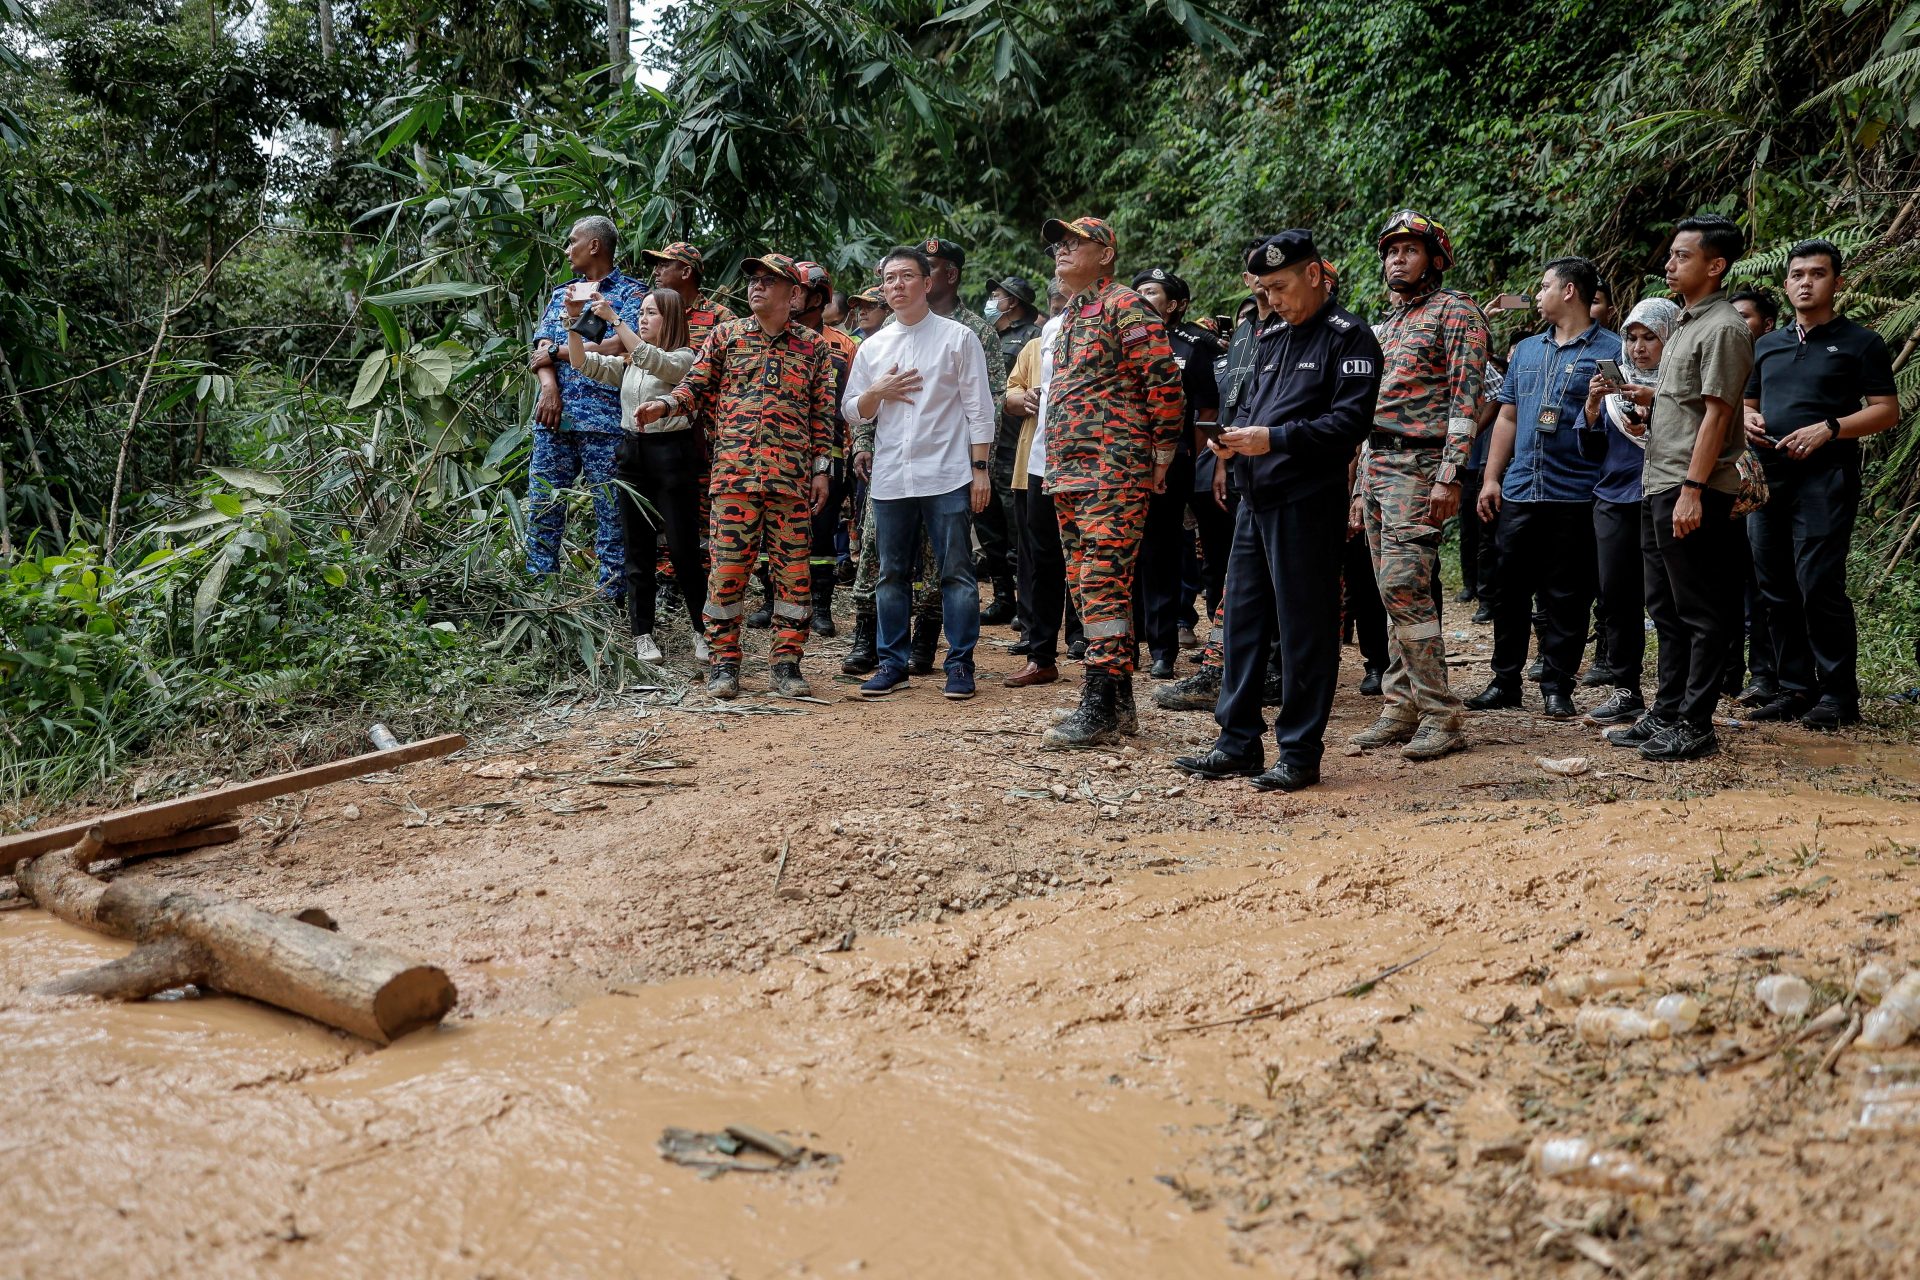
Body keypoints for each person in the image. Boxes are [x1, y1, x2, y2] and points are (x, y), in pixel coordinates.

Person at [1173, 230, 1384, 791]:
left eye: (1282, 286)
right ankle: (1236, 742)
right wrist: (1231, 444)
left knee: (1304, 629)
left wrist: (1275, 439)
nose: (1275, 299)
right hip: (1253, 498)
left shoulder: (1350, 337)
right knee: (1241, 624)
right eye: (1265, 289)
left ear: (1314, 275)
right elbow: (1249, 409)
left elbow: (1350, 425)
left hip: (1305, 501)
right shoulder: (1270, 337)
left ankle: (1299, 752)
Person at [637, 253, 834, 700]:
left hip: (791, 481)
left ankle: (786, 665)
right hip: (733, 478)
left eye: (768, 281)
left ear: (794, 294)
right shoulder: (727, 336)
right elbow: (695, 383)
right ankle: (725, 664)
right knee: (726, 574)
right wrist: (666, 405)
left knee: (793, 577)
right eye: (753, 280)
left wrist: (822, 470)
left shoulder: (813, 346)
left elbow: (822, 414)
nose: (756, 287)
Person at [1601, 214, 1754, 760]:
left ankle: (1696, 721)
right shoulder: (1687, 324)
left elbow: (1717, 416)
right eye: (1670, 255)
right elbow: (1685, 403)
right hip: (1657, 482)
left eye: (1682, 256)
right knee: (1665, 606)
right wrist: (1645, 403)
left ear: (1715, 265)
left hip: (1691, 486)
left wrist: (1692, 488)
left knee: (1700, 609)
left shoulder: (1724, 328)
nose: (1669, 264)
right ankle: (1666, 710)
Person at [1038, 215, 1184, 748]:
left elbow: (1164, 381)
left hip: (1112, 468)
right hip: (1070, 473)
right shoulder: (1073, 314)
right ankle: (1117, 705)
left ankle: (1099, 703)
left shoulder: (1127, 305)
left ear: (1105, 254)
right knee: (1085, 583)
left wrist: (1161, 453)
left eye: (1075, 243)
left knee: (1101, 580)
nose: (1062, 250)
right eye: (1059, 244)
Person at [1743, 239, 1899, 728]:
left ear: (1837, 282)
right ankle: (1794, 687)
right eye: (1796, 274)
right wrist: (1747, 421)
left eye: (1817, 273)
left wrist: (1830, 427)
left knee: (1817, 583)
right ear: (1785, 283)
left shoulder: (1861, 342)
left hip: (1825, 477)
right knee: (1775, 584)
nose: (1805, 282)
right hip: (1769, 478)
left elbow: (1886, 410)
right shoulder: (1766, 345)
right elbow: (1748, 403)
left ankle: (1837, 695)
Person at [1351, 209, 1489, 761]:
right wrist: (1359, 484)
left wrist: (1450, 473)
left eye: (1409, 250)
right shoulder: (1386, 325)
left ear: (1435, 258)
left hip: (1421, 467)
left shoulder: (1455, 312)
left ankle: (1441, 714)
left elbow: (1466, 399)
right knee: (1392, 593)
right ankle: (1400, 706)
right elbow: (1367, 410)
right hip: (1377, 466)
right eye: (1390, 251)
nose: (1397, 260)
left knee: (1407, 587)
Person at [1470, 257, 1619, 719]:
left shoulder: (1611, 352)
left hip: (1575, 490)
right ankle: (1505, 681)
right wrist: (1492, 477)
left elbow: (1619, 425)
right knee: (1507, 589)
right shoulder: (1527, 351)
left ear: (1569, 291)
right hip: (1519, 488)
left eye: (1544, 286)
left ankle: (1558, 684)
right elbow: (1508, 416)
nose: (1537, 295)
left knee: (1566, 594)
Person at [845, 246, 996, 699]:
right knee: (890, 574)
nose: (897, 285)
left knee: (956, 573)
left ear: (927, 283)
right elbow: (853, 410)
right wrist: (878, 390)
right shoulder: (872, 346)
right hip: (891, 477)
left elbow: (980, 409)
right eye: (889, 278)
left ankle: (960, 664)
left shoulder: (958, 338)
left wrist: (981, 470)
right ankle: (892, 663)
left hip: (947, 473)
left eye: (907, 276)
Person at [562, 288, 703, 663]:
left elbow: (655, 360)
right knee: (637, 549)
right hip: (633, 454)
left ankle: (702, 630)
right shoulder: (630, 363)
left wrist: (616, 320)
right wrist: (574, 323)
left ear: (670, 319)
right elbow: (582, 364)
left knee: (683, 547)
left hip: (673, 454)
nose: (643, 317)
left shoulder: (685, 357)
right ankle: (643, 634)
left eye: (651, 312)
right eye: (640, 312)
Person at [525, 215, 650, 599]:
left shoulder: (631, 294)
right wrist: (549, 389)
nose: (567, 249)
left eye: (572, 241)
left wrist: (559, 351)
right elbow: (538, 350)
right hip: (554, 418)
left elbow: (623, 343)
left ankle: (609, 601)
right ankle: (541, 596)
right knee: (544, 509)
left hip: (606, 421)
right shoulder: (561, 293)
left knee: (612, 515)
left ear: (594, 245)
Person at [1577, 297, 1679, 727]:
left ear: (1670, 339)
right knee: (1617, 599)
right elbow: (1590, 451)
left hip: (1666, 500)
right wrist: (1594, 408)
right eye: (1632, 338)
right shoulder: (1616, 392)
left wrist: (1655, 406)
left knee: (1667, 603)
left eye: (1650, 338)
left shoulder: (1681, 389)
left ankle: (1674, 696)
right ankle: (1626, 689)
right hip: (1614, 501)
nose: (1639, 348)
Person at [1131, 267, 1222, 680]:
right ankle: (1121, 648)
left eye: (1151, 291)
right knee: (1122, 554)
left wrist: (1190, 463)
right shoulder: (1119, 339)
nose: (1142, 297)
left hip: (1173, 462)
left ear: (1174, 304)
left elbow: (1206, 413)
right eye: (1138, 291)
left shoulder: (1193, 345)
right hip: (1121, 460)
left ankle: (1162, 649)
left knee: (1161, 553)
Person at [1004, 277, 1083, 687]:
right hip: (1041, 459)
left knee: (1090, 559)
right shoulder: (1046, 335)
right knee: (1042, 558)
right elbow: (1015, 393)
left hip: (1089, 463)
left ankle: (1104, 656)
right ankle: (1041, 655)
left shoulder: (1120, 315)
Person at [1726, 285, 1783, 704]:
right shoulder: (1722, 362)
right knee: (1730, 584)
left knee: (1765, 584)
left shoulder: (1776, 362)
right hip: (1724, 488)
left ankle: (1766, 674)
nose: (1736, 324)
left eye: (1744, 316)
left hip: (1770, 483)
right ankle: (1729, 673)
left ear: (1768, 324)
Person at [982, 275, 1046, 626]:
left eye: (998, 296)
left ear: (1014, 301)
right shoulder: (987, 335)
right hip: (983, 445)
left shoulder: (1034, 338)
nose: (992, 301)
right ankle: (1002, 597)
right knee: (988, 523)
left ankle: (1027, 603)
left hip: (1013, 445)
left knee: (1016, 528)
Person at [639, 241, 736, 350]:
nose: (655, 272)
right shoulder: (653, 313)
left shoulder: (720, 316)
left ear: (686, 273)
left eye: (663, 265)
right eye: (657, 266)